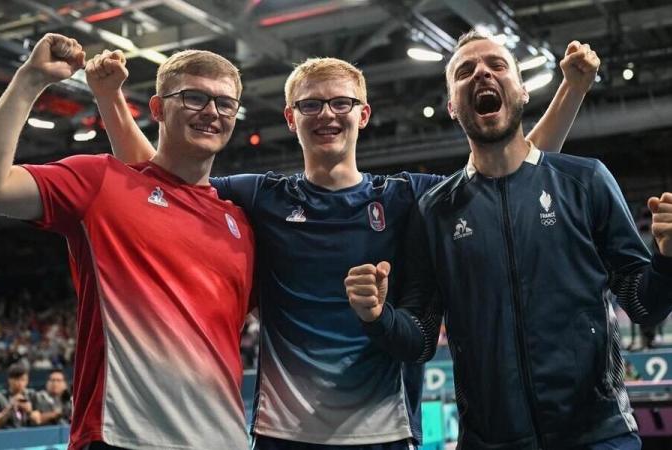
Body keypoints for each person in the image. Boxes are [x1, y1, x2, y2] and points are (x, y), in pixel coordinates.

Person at [88, 40, 598, 449]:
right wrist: (110, 99)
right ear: (291, 117)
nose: (326, 114)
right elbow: (160, 181)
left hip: (386, 431)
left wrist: (571, 90)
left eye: (340, 103)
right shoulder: (262, 196)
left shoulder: (405, 197)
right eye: (311, 104)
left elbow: (512, 172)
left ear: (364, 114)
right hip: (282, 434)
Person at [344, 30, 672, 450]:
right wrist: (376, 316)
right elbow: (422, 340)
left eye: (497, 65)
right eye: (465, 71)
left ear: (521, 91)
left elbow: (644, 304)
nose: (482, 72)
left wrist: (667, 259)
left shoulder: (585, 181)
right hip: (490, 441)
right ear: (450, 106)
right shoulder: (435, 211)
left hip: (598, 435)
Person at [0, 33, 255, 450]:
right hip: (121, 440)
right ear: (157, 108)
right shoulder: (100, 183)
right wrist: (31, 79)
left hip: (225, 440)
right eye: (193, 97)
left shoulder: (241, 227)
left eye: (224, 102)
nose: (211, 111)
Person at [0, 363, 40, 428]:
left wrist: (29, 411)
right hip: (7, 433)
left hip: (29, 432)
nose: (20, 383)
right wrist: (10, 408)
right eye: (17, 379)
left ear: (27, 381)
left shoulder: (32, 394)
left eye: (23, 379)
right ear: (9, 380)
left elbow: (38, 420)